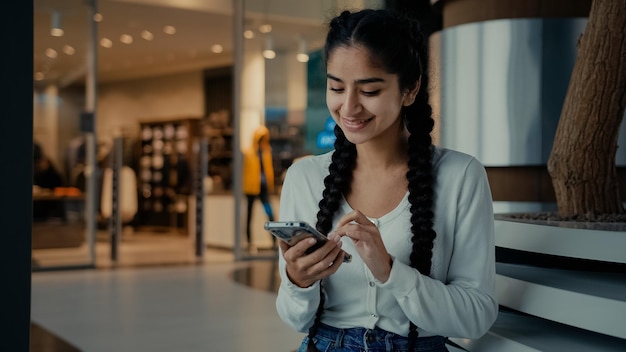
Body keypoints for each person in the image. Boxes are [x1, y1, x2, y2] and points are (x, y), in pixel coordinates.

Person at [275, 9, 498, 352]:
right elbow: (294, 320)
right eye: (336, 87)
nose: (348, 107)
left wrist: (391, 272)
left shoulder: (460, 176)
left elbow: (476, 316)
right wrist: (297, 282)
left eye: (369, 90)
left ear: (410, 90)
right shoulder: (304, 177)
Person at [243, 125, 277, 252]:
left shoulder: (267, 152)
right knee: (249, 216)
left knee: (269, 214)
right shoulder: (249, 152)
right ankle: (249, 242)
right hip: (251, 189)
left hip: (263, 189)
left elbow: (269, 170)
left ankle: (274, 242)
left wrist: (270, 185)